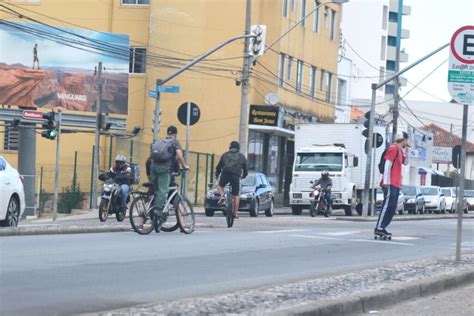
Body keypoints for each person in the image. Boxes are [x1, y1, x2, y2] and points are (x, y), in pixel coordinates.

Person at [149, 125, 189, 220]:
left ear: (167, 133)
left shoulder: (159, 141)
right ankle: (158, 210)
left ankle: (150, 210)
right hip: (164, 170)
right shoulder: (175, 142)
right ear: (176, 134)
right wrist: (185, 166)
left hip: (153, 168)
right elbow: (179, 156)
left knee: (156, 191)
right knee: (164, 190)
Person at [375, 131, 410, 237]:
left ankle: (383, 226)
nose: (407, 142)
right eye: (406, 140)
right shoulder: (393, 148)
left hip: (396, 183)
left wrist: (407, 150)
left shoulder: (400, 151)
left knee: (392, 207)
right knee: (387, 205)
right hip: (390, 182)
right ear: (404, 140)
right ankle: (379, 227)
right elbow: (387, 165)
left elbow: (406, 162)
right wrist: (386, 181)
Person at [215, 141, 248, 219]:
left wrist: (217, 174)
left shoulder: (225, 155)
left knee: (220, 186)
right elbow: (246, 168)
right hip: (236, 176)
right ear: (238, 148)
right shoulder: (241, 156)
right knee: (236, 194)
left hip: (225, 174)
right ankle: (235, 213)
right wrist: (243, 176)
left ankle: (222, 196)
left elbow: (219, 166)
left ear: (230, 147)